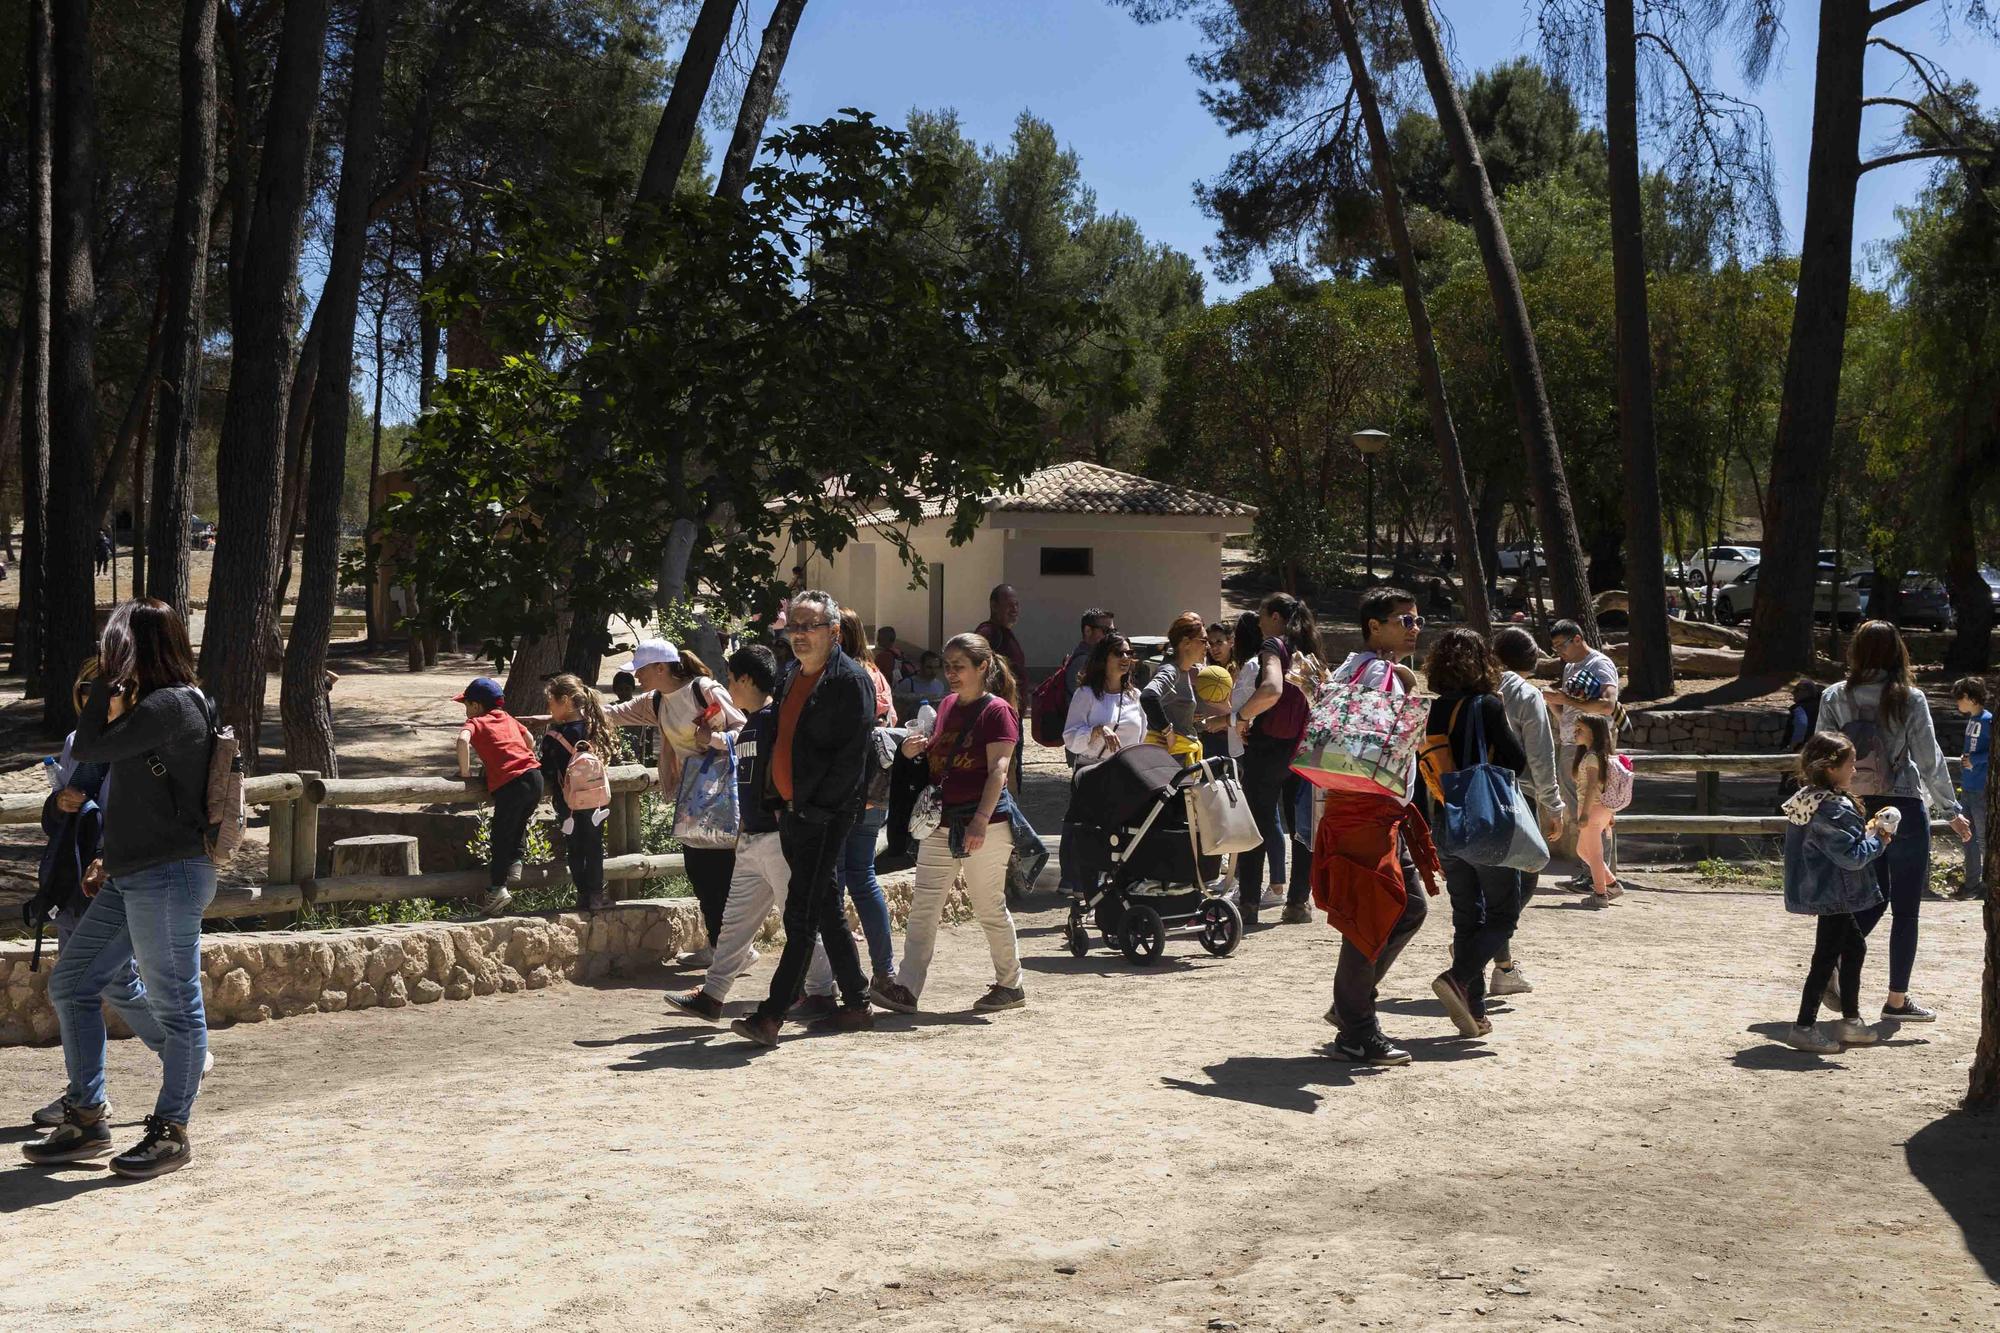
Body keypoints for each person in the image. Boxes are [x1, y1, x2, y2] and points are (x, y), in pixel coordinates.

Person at [24, 600, 216, 1179]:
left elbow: (88, 747)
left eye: (114, 645)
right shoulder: (152, 708)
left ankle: (170, 1132)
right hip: (133, 874)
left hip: (170, 875)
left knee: (175, 1006)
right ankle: (87, 1117)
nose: (106, 657)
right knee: (75, 982)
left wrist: (109, 678)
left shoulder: (172, 705)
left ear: (138, 648)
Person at [730, 591, 878, 1046]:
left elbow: (851, 758)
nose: (798, 634)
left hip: (824, 816)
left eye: (809, 625)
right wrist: (779, 801)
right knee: (825, 906)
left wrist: (818, 810)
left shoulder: (850, 681)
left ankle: (771, 1015)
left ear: (833, 632)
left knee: (801, 914)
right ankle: (855, 1002)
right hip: (791, 811)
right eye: (793, 625)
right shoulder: (792, 674)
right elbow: (781, 741)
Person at [673, 645, 847, 1022]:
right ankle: (713, 995)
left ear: (748, 680)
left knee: (796, 919)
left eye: (732, 679)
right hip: (752, 838)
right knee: (735, 922)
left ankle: (821, 992)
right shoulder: (751, 723)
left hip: (779, 838)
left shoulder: (777, 721)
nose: (729, 686)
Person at [1815, 621, 1971, 1022]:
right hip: (1903, 807)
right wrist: (1950, 810)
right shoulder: (1909, 699)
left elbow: (1820, 753)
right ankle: (1896, 1001)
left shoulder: (1834, 695)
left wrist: (1823, 805)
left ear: (1856, 652)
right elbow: (1930, 757)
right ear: (1898, 652)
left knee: (1869, 895)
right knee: (1905, 908)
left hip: (1855, 805)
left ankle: (1832, 959)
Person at [876, 632, 1026, 1015]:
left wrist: (979, 820)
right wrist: (915, 749)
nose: (952, 674)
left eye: (960, 666)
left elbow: (999, 771)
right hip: (940, 822)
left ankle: (1011, 984)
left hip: (985, 824)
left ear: (983, 667)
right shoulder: (944, 706)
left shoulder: (998, 712)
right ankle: (907, 988)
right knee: (924, 906)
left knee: (988, 905)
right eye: (948, 666)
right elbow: (938, 757)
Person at [1321, 587, 1432, 1065]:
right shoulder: (1376, 673)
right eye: (1404, 620)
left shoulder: (1352, 668)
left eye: (1416, 619)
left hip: (1367, 809)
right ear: (1374, 626)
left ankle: (1350, 1009)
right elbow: (1375, 745)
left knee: (1406, 909)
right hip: (1366, 808)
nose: (1414, 627)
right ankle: (1357, 1029)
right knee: (1372, 916)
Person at [602, 640, 745, 964]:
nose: (636, 676)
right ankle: (723, 946)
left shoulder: (704, 690)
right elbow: (613, 714)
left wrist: (714, 740)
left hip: (721, 794)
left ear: (660, 668)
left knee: (719, 873)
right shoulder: (656, 700)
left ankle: (730, 949)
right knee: (700, 872)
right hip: (692, 799)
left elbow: (744, 731)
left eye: (640, 669)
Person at [1418, 628, 1529, 1040]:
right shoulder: (1487, 705)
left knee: (1467, 919)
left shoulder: (1435, 710)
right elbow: (1515, 762)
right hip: (1486, 822)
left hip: (1448, 821)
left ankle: (1475, 1013)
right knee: (1504, 916)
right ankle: (1459, 976)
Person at [791, 609, 900, 1010]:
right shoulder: (878, 675)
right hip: (875, 791)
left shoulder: (840, 677)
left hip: (842, 794)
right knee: (863, 877)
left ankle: (830, 982)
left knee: (832, 887)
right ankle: (883, 972)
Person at [1778, 732, 1891, 1054]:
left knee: (1854, 949)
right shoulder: (1834, 807)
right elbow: (1851, 856)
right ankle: (1804, 1026)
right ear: (1831, 768)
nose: (1855, 770)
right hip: (1835, 892)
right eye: (1851, 764)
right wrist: (1879, 840)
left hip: (1826, 889)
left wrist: (1866, 833)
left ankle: (1850, 1020)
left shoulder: (1808, 798)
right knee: (1825, 959)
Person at [1489, 626, 1565, 996]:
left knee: (1491, 884)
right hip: (1518, 798)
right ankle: (1489, 950)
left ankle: (1497, 958)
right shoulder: (1526, 695)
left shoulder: (1479, 687)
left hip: (1474, 794)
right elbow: (1540, 756)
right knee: (1527, 873)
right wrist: (1554, 804)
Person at [1231, 593, 1314, 928]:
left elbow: (1271, 689)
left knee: (1258, 825)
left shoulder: (1273, 646)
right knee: (1302, 829)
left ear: (1276, 616)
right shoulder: (1309, 651)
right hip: (1304, 748)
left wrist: (1242, 716)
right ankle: (1297, 902)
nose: (1260, 621)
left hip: (1268, 748)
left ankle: (1249, 903)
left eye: (1263, 614)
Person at [453, 677, 543, 917]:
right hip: (535, 777)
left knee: (500, 834)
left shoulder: (476, 722)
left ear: (476, 705)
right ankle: (516, 861)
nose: (466, 711)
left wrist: (465, 773)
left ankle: (497, 888)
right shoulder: (508, 718)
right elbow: (530, 741)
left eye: (467, 705)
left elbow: (462, 740)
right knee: (519, 822)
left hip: (511, 783)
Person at [1542, 619, 1620, 890]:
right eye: (1554, 648)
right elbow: (1569, 713)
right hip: (1570, 744)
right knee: (1578, 811)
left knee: (1593, 812)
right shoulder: (1571, 667)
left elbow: (1608, 705)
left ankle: (1598, 878)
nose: (1559, 652)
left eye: (1561, 645)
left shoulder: (1599, 664)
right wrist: (1553, 703)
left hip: (1589, 747)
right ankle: (1595, 875)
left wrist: (1566, 700)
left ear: (1577, 639)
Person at [1221, 611, 1284, 905]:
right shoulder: (1265, 664)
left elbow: (1245, 709)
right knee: (1269, 819)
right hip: (1260, 750)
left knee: (1260, 820)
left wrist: (1220, 720)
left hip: (1248, 751)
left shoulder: (1252, 666)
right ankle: (1274, 885)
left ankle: (1263, 890)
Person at [540, 674, 615, 911]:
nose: (548, 707)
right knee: (594, 845)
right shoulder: (593, 727)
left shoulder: (554, 736)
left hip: (568, 802)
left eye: (551, 701)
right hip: (595, 799)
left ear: (565, 701)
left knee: (574, 846)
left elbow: (549, 770)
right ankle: (596, 894)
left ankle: (582, 893)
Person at [1143, 612, 1219, 759]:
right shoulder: (1170, 670)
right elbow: (1148, 696)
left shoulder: (1182, 671)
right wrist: (1167, 732)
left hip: (1179, 758)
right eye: (1204, 641)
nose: (1208, 646)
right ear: (1186, 642)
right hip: (1170, 761)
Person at [1063, 634, 1148, 762]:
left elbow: (1143, 739)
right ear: (1104, 658)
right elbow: (1070, 739)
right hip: (1095, 771)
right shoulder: (1085, 694)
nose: (1125, 657)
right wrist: (1098, 730)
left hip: (1128, 771)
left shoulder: (1135, 696)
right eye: (1119, 653)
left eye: (1128, 653)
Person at [1570, 715, 1623, 907]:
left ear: (1592, 733)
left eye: (1580, 729)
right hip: (1599, 810)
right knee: (1583, 850)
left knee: (1593, 852)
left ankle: (1600, 894)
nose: (1575, 732)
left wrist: (1584, 814)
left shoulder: (1592, 757)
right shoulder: (1593, 755)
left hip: (1592, 809)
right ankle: (1612, 885)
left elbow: (1593, 786)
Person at [1953, 677, 1989, 901]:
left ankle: (1990, 883)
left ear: (1969, 698)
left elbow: (1993, 751)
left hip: (1981, 788)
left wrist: (1975, 760)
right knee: (1967, 836)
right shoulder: (1973, 720)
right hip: (1968, 787)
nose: (1957, 703)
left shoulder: (1989, 720)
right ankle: (1972, 883)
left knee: (1985, 838)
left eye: (1959, 698)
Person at [1064, 608, 1117, 706]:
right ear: (1088, 631)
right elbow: (1084, 702)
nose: (1111, 636)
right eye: (1106, 631)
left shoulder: (1095, 658)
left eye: (1113, 631)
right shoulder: (1082, 661)